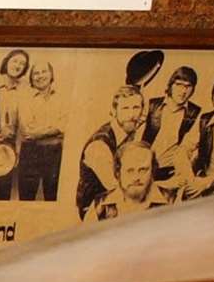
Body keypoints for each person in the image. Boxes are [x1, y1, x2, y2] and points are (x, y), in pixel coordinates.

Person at [77, 86, 145, 218]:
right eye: (125, 108)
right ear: (114, 111)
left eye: (136, 108)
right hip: (95, 211)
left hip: (116, 201)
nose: (132, 115)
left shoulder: (129, 132)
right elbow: (116, 188)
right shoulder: (99, 145)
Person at [12, 61, 67, 202]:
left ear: (51, 74)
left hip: (54, 153)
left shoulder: (61, 98)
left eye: (44, 72)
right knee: (26, 199)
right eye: (36, 73)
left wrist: (40, 132)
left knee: (52, 197)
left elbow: (64, 126)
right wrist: (53, 130)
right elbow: (27, 130)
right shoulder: (24, 99)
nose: (40, 76)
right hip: (30, 153)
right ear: (31, 78)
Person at [140, 65, 201, 190]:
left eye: (188, 86)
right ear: (171, 85)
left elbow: (192, 149)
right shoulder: (151, 105)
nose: (183, 91)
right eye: (179, 85)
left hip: (170, 174)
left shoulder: (196, 113)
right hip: (143, 168)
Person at [88, 141, 158, 221]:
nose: (136, 178)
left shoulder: (171, 199)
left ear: (153, 171)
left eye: (143, 170)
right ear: (118, 173)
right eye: (130, 171)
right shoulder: (99, 205)